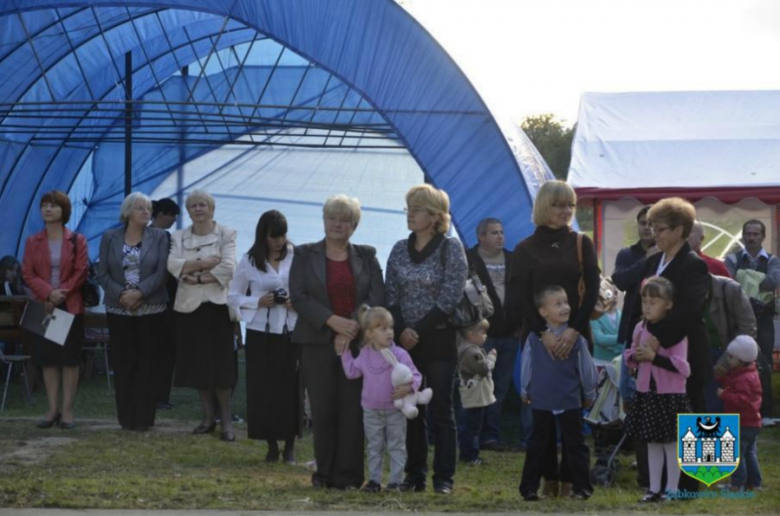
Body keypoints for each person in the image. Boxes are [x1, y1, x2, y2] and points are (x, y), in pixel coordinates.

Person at [505, 179, 599, 495]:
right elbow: (518, 298)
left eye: (570, 204)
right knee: (541, 417)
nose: (565, 210)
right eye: (559, 204)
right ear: (544, 206)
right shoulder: (525, 249)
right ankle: (547, 479)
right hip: (537, 337)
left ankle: (575, 479)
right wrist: (543, 332)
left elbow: (593, 291)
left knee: (572, 416)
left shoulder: (581, 242)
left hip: (576, 335)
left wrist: (574, 330)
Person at [290, 194, 385, 490]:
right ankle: (324, 475)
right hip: (316, 344)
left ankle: (348, 477)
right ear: (324, 220)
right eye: (332, 217)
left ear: (354, 226)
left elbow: (377, 297)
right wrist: (333, 321)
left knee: (352, 411)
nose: (337, 224)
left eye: (344, 219)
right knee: (323, 409)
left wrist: (351, 327)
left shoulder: (367, 255)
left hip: (358, 346)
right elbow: (299, 297)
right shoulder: (304, 254)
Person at [385, 184, 468, 495]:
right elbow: (391, 294)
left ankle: (443, 478)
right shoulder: (397, 249)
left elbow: (451, 295)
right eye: (409, 207)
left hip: (439, 341)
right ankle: (414, 475)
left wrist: (417, 330)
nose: (410, 213)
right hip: (405, 343)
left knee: (442, 411)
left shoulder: (451, 248)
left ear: (434, 216)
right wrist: (402, 330)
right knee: (409, 408)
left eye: (417, 209)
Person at [628, 197, 711, 497]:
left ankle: (692, 484)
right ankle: (656, 484)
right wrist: (635, 341)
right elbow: (639, 303)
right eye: (651, 227)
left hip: (684, 350)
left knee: (690, 412)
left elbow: (689, 310)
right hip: (650, 355)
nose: (654, 233)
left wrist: (657, 339)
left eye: (660, 228)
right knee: (655, 418)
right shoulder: (653, 261)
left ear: (680, 231)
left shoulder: (694, 265)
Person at [228, 210, 300, 463]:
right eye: (273, 237)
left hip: (290, 329)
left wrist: (296, 303)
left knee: (290, 389)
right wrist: (257, 301)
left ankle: (290, 443)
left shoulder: (296, 255)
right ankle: (270, 443)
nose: (279, 241)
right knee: (263, 389)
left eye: (281, 236)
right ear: (263, 236)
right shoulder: (249, 260)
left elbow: (309, 289)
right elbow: (233, 296)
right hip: (261, 332)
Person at [167, 190, 237, 441]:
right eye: (193, 205)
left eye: (202, 205)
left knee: (221, 366)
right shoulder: (178, 236)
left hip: (217, 307)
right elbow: (173, 266)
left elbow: (229, 266)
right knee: (197, 365)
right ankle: (207, 417)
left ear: (212, 209)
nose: (198, 209)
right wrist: (206, 263)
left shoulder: (226, 233)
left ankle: (226, 421)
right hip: (188, 308)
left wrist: (194, 275)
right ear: (188, 210)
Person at [96, 192, 170, 432]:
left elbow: (162, 272)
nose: (146, 212)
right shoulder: (110, 237)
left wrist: (139, 293)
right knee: (124, 362)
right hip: (119, 310)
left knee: (148, 364)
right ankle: (126, 417)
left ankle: (145, 417)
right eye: (140, 208)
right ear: (127, 212)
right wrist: (122, 294)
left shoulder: (160, 237)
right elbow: (102, 272)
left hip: (151, 309)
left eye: (148, 208)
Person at [518, 285, 597, 501]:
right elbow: (527, 365)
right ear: (543, 311)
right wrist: (525, 389)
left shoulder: (575, 339)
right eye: (558, 304)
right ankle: (529, 487)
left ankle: (582, 487)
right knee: (538, 444)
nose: (565, 307)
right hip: (542, 399)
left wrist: (589, 391)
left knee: (575, 445)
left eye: (566, 302)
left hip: (570, 399)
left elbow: (586, 368)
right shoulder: (535, 339)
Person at [22, 191, 88, 429]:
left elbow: (81, 271)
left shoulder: (76, 239)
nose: (47, 209)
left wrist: (61, 292)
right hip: (44, 306)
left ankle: (68, 411)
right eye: (44, 206)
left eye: (53, 206)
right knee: (48, 360)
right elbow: (27, 272)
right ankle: (52, 409)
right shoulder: (32, 241)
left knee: (69, 360)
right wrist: (48, 292)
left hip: (69, 306)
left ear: (64, 211)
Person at [624, 277, 692, 502]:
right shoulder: (639, 328)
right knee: (652, 442)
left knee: (671, 444)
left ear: (669, 304)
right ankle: (654, 489)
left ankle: (672, 489)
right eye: (645, 301)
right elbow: (629, 355)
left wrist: (654, 358)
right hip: (647, 393)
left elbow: (683, 367)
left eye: (654, 301)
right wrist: (636, 357)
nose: (648, 306)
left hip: (670, 396)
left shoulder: (675, 332)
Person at [341, 305, 421, 493]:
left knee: (396, 446)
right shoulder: (365, 354)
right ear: (369, 333)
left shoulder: (401, 354)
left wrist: (408, 388)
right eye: (383, 328)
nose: (390, 332)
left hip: (395, 411)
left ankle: (395, 482)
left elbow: (416, 376)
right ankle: (374, 481)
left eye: (391, 327)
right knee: (374, 447)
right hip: (371, 411)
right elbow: (352, 372)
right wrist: (344, 352)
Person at [610, 205, 657, 489]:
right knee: (635, 393)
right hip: (634, 331)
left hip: (666, 335)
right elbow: (621, 281)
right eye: (643, 223)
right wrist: (647, 260)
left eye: (653, 224)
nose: (648, 229)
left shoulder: (673, 255)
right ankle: (638, 449)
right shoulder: (629, 254)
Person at [465, 218, 521, 451]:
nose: (500, 236)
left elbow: (521, 291)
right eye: (494, 233)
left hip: (510, 334)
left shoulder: (512, 259)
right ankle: (471, 435)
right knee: (478, 384)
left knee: (500, 387)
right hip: (482, 335)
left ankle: (492, 436)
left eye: (501, 232)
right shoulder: (470, 260)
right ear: (481, 236)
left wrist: (520, 322)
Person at [724, 219, 779, 427]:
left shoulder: (773, 260)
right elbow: (728, 281)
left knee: (763, 363)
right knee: (734, 363)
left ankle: (763, 412)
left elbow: (773, 282)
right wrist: (755, 279)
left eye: (756, 234)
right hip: (737, 318)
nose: (752, 237)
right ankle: (737, 411)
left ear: (763, 236)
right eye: (748, 233)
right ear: (743, 235)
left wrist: (743, 276)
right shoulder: (731, 258)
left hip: (763, 319)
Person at [715, 335, 763, 491]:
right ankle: (754, 482)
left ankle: (738, 483)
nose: (727, 360)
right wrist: (722, 379)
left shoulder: (744, 378)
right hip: (752, 422)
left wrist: (724, 395)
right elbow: (736, 386)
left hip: (741, 422)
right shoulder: (748, 375)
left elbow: (742, 400)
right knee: (749, 453)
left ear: (741, 359)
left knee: (736, 454)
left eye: (731, 357)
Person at [703, 273, 756, 412]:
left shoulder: (731, 289)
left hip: (729, 353)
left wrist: (727, 359)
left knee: (720, 401)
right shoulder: (685, 291)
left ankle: (727, 431)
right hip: (700, 354)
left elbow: (748, 327)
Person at [149, 198, 181, 411]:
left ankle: (157, 395)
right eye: (173, 215)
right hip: (165, 301)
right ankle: (159, 395)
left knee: (157, 351)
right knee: (163, 352)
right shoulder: (164, 238)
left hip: (155, 301)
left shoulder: (146, 235)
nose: (174, 220)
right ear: (163, 214)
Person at [457, 319, 496, 466]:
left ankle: (468, 453)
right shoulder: (471, 352)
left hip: (472, 395)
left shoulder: (468, 349)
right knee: (472, 427)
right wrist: (492, 357)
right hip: (474, 396)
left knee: (469, 426)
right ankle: (470, 455)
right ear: (470, 334)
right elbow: (484, 369)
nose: (485, 336)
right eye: (483, 332)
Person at [589, 280, 622, 362]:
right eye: (610, 294)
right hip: (601, 361)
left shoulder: (622, 315)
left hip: (618, 362)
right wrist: (621, 338)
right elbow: (600, 339)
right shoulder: (595, 316)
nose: (614, 297)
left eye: (616, 293)